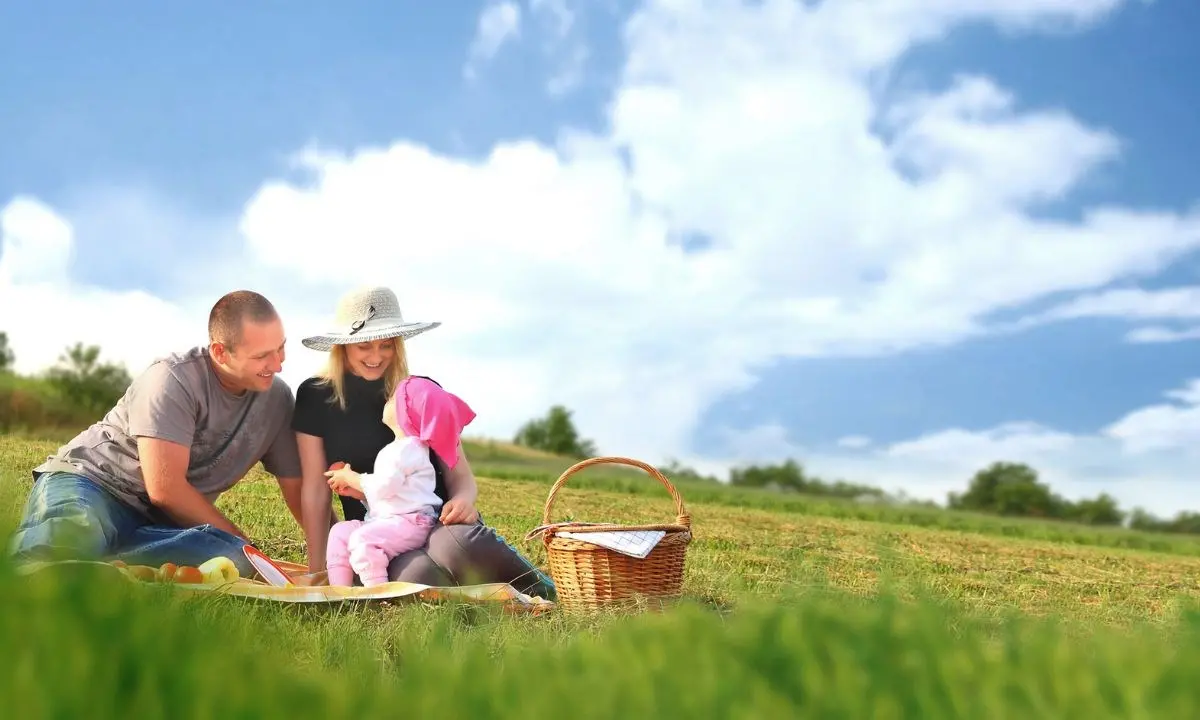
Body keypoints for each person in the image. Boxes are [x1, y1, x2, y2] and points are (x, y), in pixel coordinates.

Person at [6, 290, 304, 578]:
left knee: (235, 556)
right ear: (220, 352)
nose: (278, 363)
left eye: (281, 347)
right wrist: (253, 547)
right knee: (70, 537)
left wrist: (335, 554)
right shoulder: (171, 379)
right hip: (93, 484)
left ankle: (104, 566)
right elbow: (166, 490)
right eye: (263, 355)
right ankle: (47, 569)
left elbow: (301, 492)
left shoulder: (276, 401)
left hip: (158, 525)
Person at [292, 285, 556, 599]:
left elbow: (460, 476)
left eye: (387, 345)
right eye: (364, 346)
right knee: (416, 575)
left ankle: (540, 586)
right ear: (344, 346)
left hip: (435, 521)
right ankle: (478, 593)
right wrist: (315, 569)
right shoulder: (315, 396)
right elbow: (314, 489)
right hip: (380, 533)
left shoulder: (419, 393)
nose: (377, 356)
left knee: (456, 547)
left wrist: (463, 500)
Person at [324, 375, 475, 587]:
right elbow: (397, 495)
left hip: (411, 522)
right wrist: (360, 493)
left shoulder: (408, 449)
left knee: (363, 540)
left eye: (394, 398)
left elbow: (384, 487)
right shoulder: (400, 448)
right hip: (393, 519)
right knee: (340, 532)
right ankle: (339, 590)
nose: (388, 399)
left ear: (407, 411)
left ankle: (376, 592)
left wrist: (352, 477)